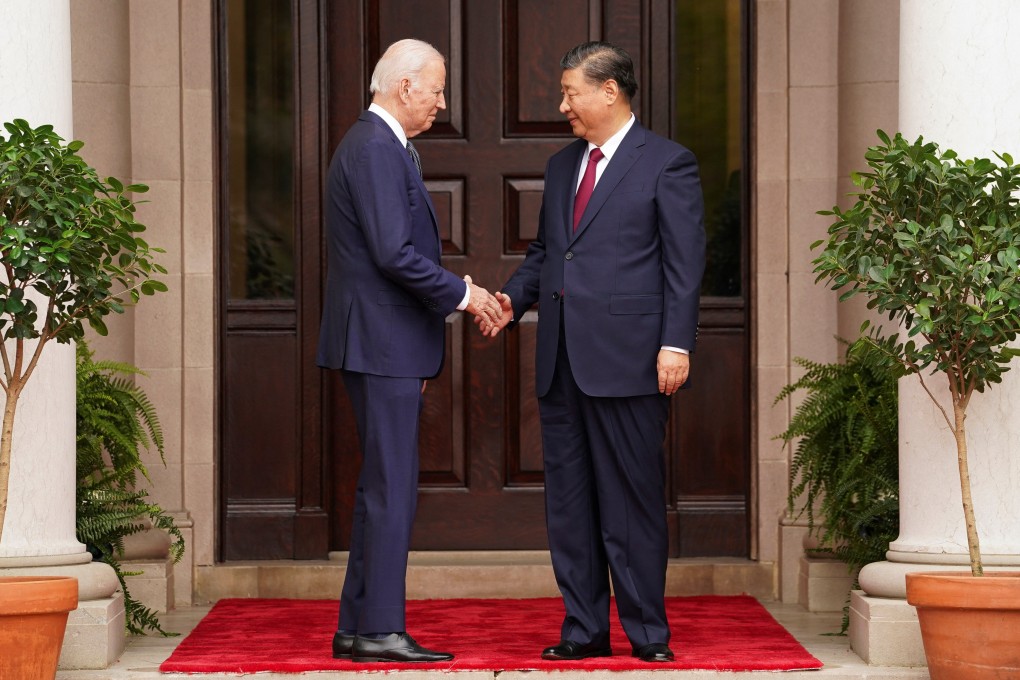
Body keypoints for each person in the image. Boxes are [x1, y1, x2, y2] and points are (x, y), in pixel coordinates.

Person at [481, 41, 706, 663]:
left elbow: (684, 265)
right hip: (561, 364)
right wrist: (511, 300)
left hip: (631, 361)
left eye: (570, 93)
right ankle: (583, 629)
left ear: (610, 91)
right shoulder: (561, 166)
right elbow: (547, 253)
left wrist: (675, 344)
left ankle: (647, 634)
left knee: (631, 503)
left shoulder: (668, 163)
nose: (563, 106)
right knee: (570, 506)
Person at [317, 38, 503, 663]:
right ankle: (381, 629)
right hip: (383, 342)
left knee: (381, 484)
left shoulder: (379, 144)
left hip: (385, 341)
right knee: (392, 488)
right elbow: (393, 254)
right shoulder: (375, 147)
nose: (441, 102)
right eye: (437, 89)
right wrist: (465, 295)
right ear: (405, 87)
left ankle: (357, 627)